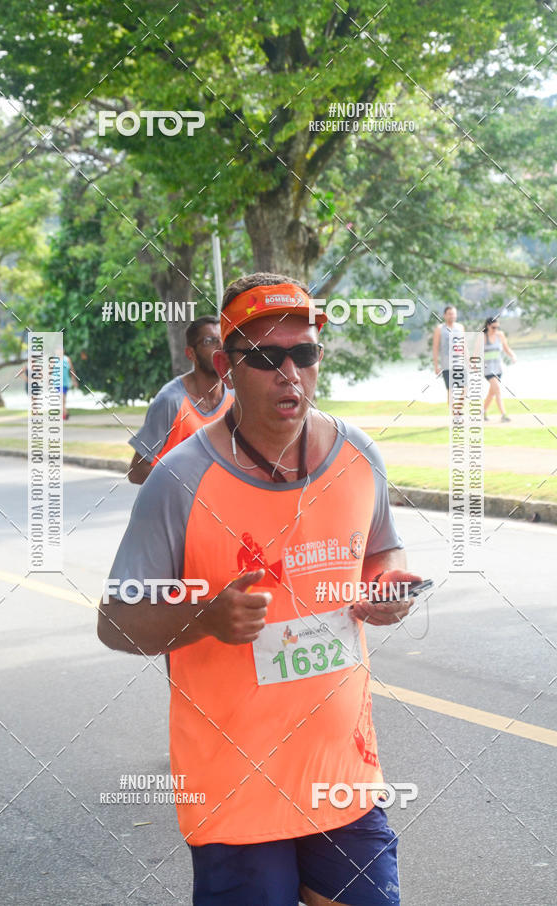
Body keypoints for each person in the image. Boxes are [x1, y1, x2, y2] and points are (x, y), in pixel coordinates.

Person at [99, 272, 422, 906]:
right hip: (234, 788)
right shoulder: (179, 480)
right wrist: (205, 619)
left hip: (343, 776)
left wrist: (388, 588)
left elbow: (384, 549)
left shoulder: (359, 456)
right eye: (267, 358)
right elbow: (115, 620)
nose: (290, 374)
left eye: (304, 354)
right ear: (225, 365)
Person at [127, 315, 234, 484]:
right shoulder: (171, 401)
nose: (220, 347)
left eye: (224, 340)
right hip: (175, 507)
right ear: (191, 353)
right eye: (209, 341)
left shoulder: (236, 396)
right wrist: (188, 481)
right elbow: (137, 472)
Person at [482, 316, 516, 422]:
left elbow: (506, 348)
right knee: (497, 389)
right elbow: (477, 353)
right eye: (493, 327)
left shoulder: (500, 335)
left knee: (492, 392)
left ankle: (481, 413)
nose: (496, 329)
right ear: (488, 326)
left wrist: (512, 356)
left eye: (497, 327)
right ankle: (503, 415)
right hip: (487, 369)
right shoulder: (483, 337)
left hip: (498, 368)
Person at [432, 305, 466, 406]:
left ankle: (458, 410)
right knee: (451, 391)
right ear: (445, 315)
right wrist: (436, 366)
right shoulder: (439, 329)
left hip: (460, 364)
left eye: (454, 314)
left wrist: (468, 361)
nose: (452, 316)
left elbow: (464, 345)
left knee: (465, 388)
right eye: (450, 314)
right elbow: (435, 347)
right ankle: (454, 416)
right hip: (446, 365)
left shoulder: (460, 327)